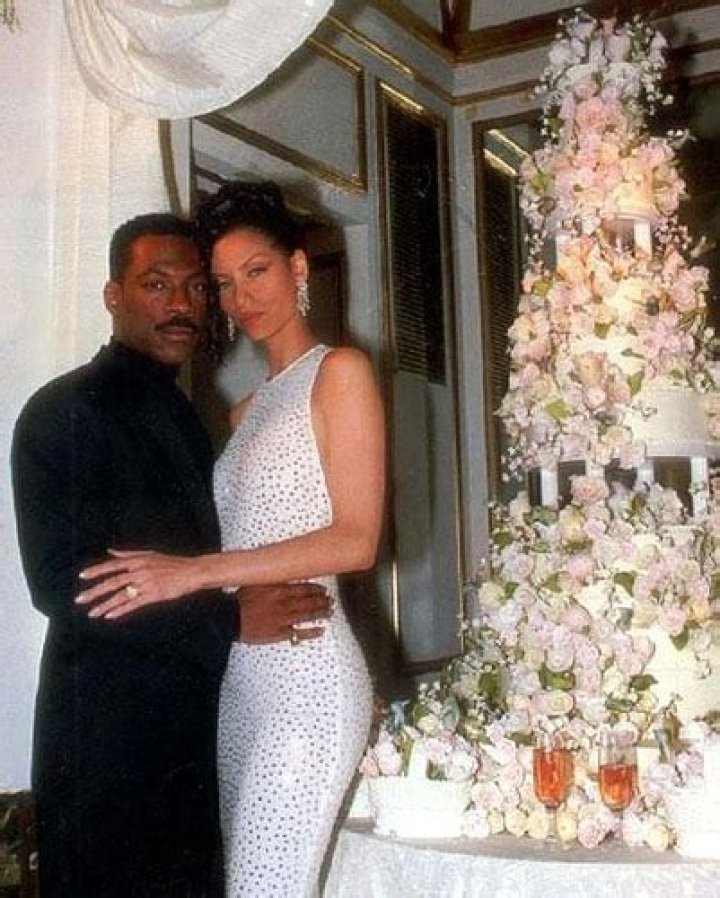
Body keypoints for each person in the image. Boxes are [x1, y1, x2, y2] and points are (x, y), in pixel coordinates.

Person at [76, 182, 386, 897]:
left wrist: (191, 573)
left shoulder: (340, 373)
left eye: (257, 271)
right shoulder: (243, 410)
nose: (241, 298)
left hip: (309, 677)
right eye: (222, 284)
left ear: (297, 268)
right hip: (239, 685)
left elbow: (356, 540)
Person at [10, 212, 332, 898]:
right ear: (114, 296)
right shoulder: (65, 409)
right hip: (106, 749)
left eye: (195, 288)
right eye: (157, 284)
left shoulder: (184, 411)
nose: (182, 304)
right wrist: (230, 619)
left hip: (185, 741)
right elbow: (65, 583)